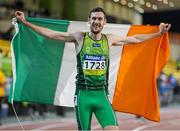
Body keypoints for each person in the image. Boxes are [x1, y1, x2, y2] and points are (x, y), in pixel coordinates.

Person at [15, 7, 171, 130]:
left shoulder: (109, 39)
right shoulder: (79, 37)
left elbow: (135, 39)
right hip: (83, 96)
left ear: (104, 22)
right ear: (89, 21)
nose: (97, 21)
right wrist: (27, 23)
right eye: (94, 18)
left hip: (102, 96)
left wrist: (158, 33)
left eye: (100, 19)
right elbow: (52, 35)